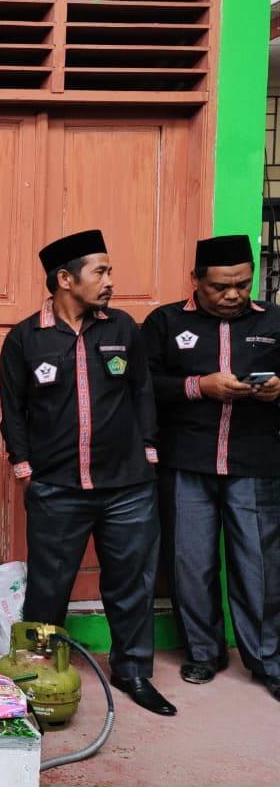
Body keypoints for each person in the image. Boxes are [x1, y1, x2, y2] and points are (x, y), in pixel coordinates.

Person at [0, 229, 174, 715]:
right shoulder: (25, 338)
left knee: (131, 583)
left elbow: (141, 392)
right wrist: (25, 465)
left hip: (128, 487)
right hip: (58, 489)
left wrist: (149, 450)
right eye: (100, 271)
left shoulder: (122, 329)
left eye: (108, 270)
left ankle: (134, 672)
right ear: (64, 279)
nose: (110, 281)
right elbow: (13, 408)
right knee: (48, 591)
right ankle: (37, 676)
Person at [144, 234, 280, 701]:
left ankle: (268, 660)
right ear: (196, 281)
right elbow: (141, 385)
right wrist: (198, 386)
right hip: (186, 462)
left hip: (255, 462)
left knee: (259, 566)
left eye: (242, 284)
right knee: (190, 562)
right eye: (221, 286)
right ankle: (203, 653)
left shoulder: (275, 322)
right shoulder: (165, 322)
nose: (233, 295)